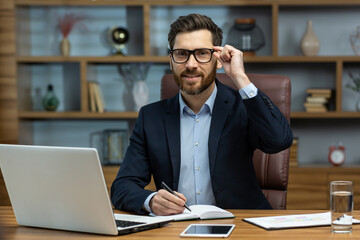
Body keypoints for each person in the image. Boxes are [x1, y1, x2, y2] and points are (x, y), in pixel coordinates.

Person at [111, 13, 293, 216]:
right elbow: (122, 187)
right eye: (181, 54)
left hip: (241, 225)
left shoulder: (242, 106)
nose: (191, 64)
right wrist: (151, 200)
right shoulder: (150, 117)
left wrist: (240, 78)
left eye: (202, 53)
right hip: (177, 227)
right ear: (171, 60)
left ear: (217, 60)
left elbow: (279, 140)